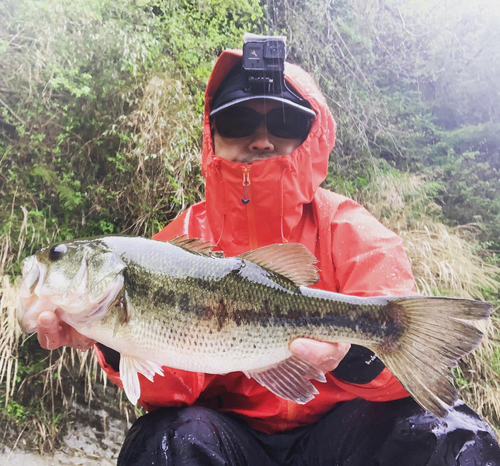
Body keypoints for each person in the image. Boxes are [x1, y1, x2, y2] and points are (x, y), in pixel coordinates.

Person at [35, 45, 500, 465]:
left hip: (341, 436)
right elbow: (169, 393)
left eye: (284, 122)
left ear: (309, 137)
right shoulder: (173, 242)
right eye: (238, 122)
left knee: (451, 436)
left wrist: (352, 355)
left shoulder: (353, 231)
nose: (261, 139)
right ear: (212, 136)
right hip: (231, 441)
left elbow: (401, 381)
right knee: (166, 439)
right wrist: (115, 345)